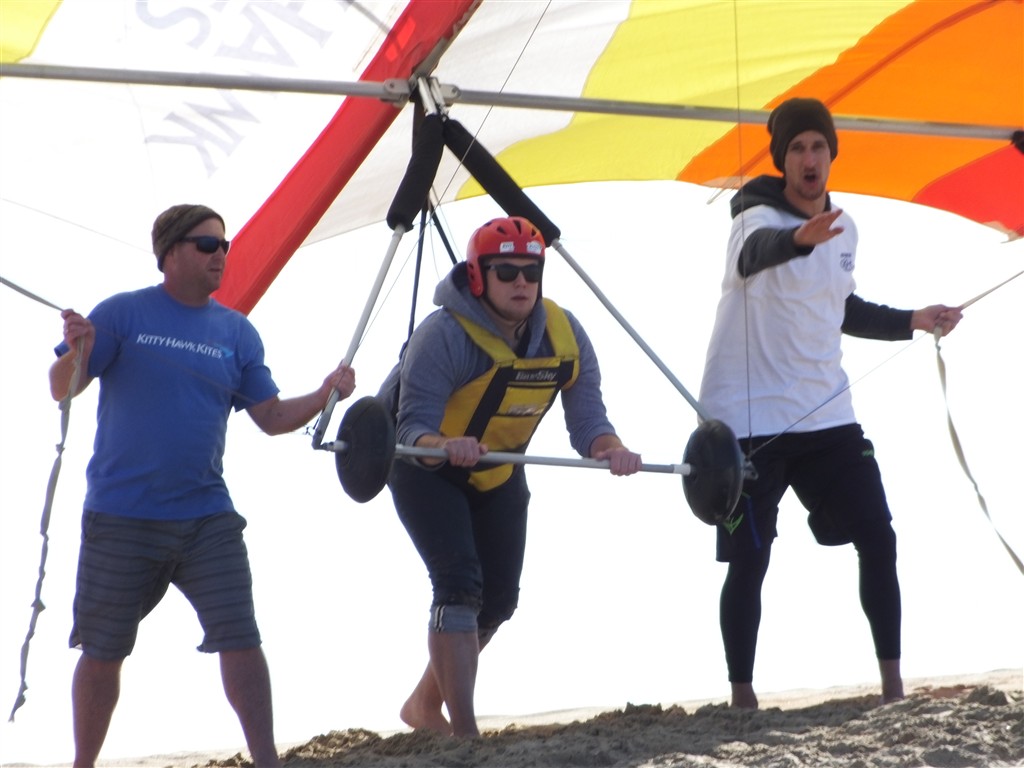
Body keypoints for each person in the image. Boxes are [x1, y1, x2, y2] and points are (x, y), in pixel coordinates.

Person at [49, 204, 356, 768]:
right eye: (207, 244)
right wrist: (80, 349)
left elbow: (271, 417)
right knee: (103, 649)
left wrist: (325, 393)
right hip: (122, 515)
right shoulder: (122, 312)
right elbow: (60, 388)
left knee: (241, 635)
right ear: (170, 252)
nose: (221, 255)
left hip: (207, 516)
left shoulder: (237, 331)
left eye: (224, 246)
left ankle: (266, 760)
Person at [697, 98, 963, 710]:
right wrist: (796, 238)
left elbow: (839, 307)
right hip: (750, 421)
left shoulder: (846, 228)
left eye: (818, 146)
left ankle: (893, 688)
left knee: (879, 535)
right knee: (751, 559)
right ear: (782, 160)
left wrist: (915, 319)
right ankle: (742, 696)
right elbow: (756, 254)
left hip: (826, 415)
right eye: (797, 148)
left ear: (831, 153)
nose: (809, 158)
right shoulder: (752, 218)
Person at [378, 215, 642, 737]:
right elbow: (412, 428)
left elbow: (589, 423)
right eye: (506, 272)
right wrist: (443, 445)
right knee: (458, 584)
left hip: (498, 468)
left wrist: (612, 450)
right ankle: (466, 735)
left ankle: (423, 706)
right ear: (479, 277)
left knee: (498, 600)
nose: (521, 282)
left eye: (531, 272)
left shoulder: (566, 335)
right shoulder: (443, 335)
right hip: (420, 465)